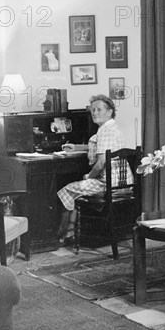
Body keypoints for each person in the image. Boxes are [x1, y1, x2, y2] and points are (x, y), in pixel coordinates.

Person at [57, 94, 132, 247]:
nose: (94, 113)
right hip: (122, 183)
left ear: (109, 112)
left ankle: (62, 235)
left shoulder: (105, 131)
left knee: (66, 189)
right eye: (92, 110)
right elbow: (104, 149)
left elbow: (100, 163)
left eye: (98, 109)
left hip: (106, 185)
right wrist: (77, 147)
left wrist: (88, 177)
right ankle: (69, 233)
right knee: (73, 189)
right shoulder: (111, 128)